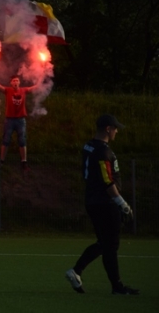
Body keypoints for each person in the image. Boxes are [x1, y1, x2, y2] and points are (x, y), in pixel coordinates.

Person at [65, 114, 139, 295]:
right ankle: (117, 286)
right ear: (107, 129)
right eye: (115, 129)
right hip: (105, 202)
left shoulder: (89, 146)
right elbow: (108, 181)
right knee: (111, 245)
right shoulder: (103, 151)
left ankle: (77, 271)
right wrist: (121, 203)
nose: (116, 132)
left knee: (105, 243)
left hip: (92, 199)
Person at [0, 74, 42, 170]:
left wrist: (42, 72)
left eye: (17, 80)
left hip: (21, 120)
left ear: (19, 82)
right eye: (13, 81)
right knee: (6, 140)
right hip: (9, 120)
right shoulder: (7, 90)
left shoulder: (23, 90)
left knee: (22, 141)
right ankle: (2, 161)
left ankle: (24, 162)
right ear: (11, 83)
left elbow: (37, 86)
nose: (15, 82)